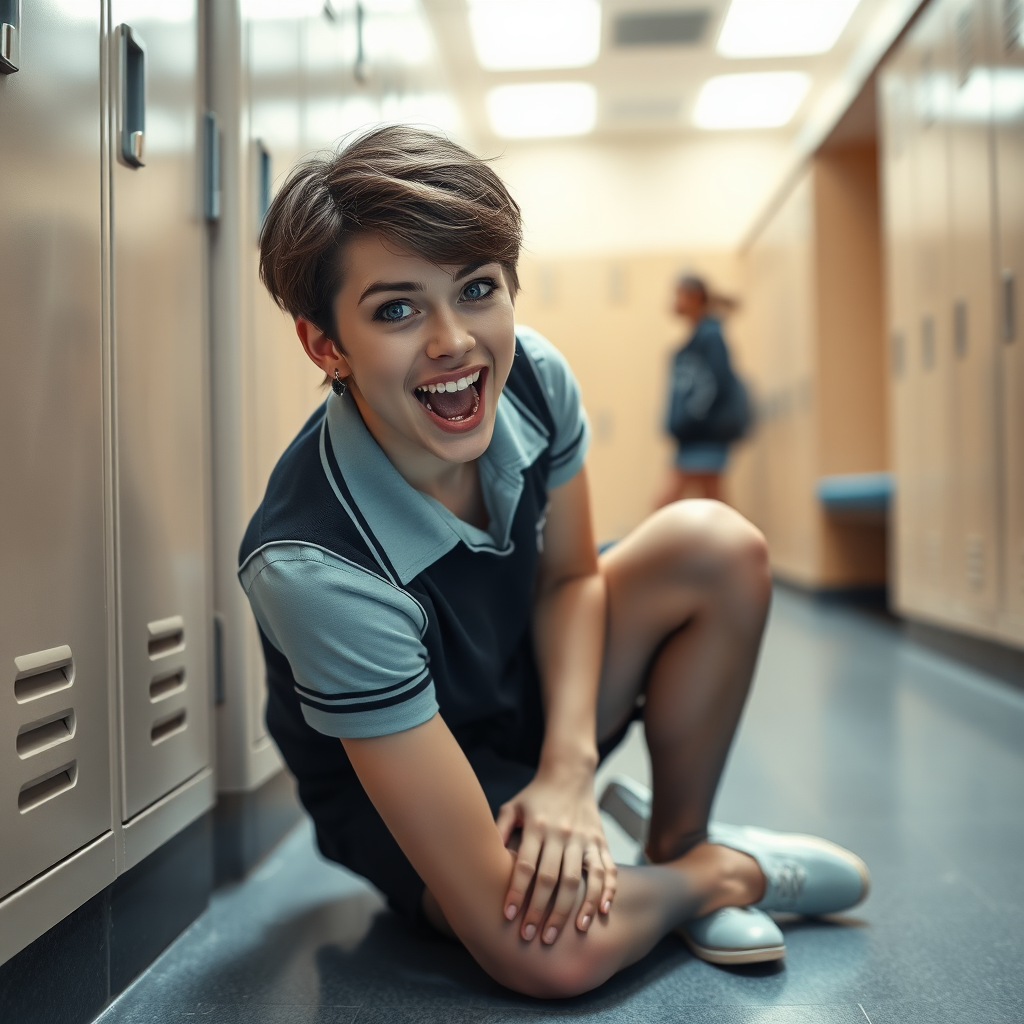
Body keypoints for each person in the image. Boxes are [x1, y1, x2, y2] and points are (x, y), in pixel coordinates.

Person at [239, 125, 868, 999]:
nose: (454, 340)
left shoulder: (533, 378)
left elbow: (573, 579)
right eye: (396, 308)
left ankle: (675, 844)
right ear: (325, 346)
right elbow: (516, 933)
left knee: (714, 544)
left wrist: (568, 774)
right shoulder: (314, 561)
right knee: (547, 953)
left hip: (521, 693)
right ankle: (723, 875)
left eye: (477, 289)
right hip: (407, 780)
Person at [657, 274, 744, 507]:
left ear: (694, 297)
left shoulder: (711, 337)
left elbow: (716, 385)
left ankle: (737, 543)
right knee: (714, 501)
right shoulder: (696, 339)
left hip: (703, 435)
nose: (674, 301)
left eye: (678, 295)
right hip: (694, 436)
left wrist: (689, 419)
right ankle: (732, 543)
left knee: (667, 502)